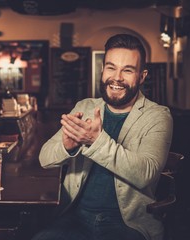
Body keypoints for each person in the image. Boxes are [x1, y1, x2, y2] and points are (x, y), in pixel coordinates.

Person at [32, 34, 173, 240]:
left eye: (127, 70)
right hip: (74, 216)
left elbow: (146, 173)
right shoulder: (85, 106)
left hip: (128, 224)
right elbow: (45, 158)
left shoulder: (158, 115)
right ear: (102, 69)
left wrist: (96, 141)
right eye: (111, 67)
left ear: (142, 77)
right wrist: (67, 146)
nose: (117, 77)